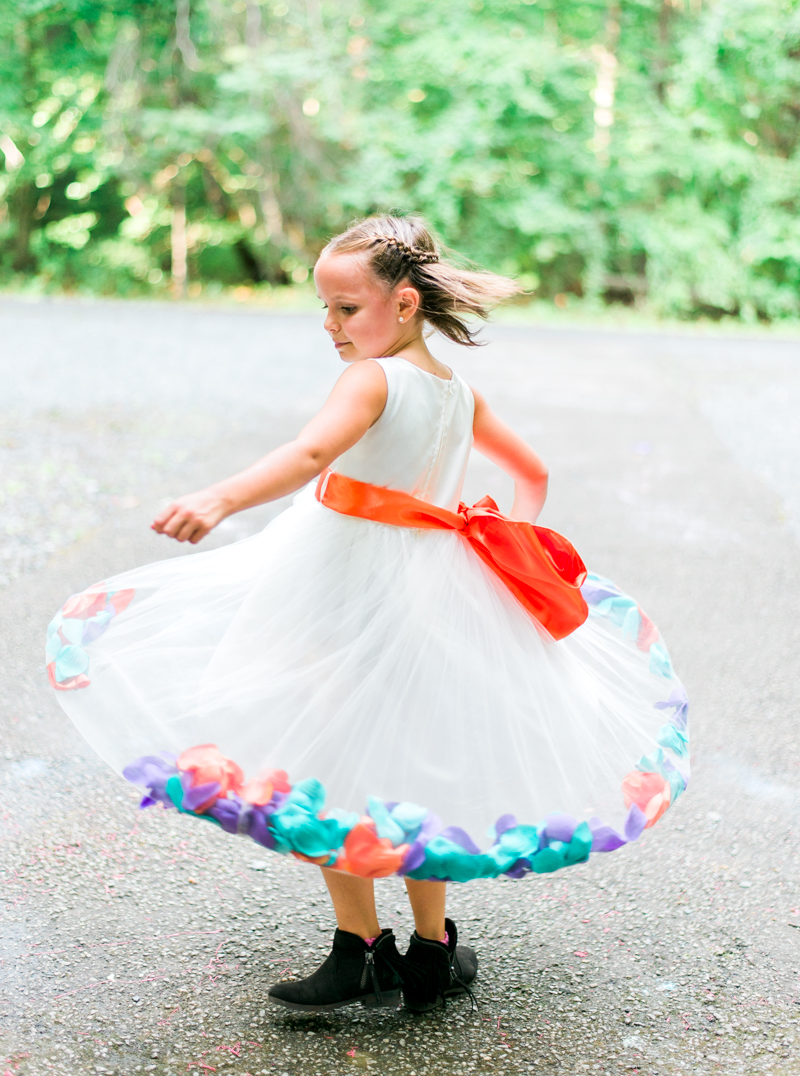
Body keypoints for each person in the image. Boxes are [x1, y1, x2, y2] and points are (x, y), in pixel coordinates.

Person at [46, 214, 689, 1014]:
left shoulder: (372, 380)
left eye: (347, 309)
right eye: (324, 309)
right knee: (410, 759)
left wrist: (220, 497)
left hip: (344, 581)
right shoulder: (457, 392)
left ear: (408, 302)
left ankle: (359, 949)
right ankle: (431, 952)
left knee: (326, 751)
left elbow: (314, 455)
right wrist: (503, 541)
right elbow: (534, 469)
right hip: (429, 588)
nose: (330, 326)